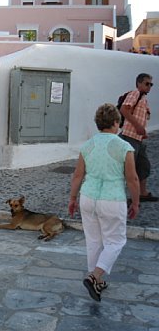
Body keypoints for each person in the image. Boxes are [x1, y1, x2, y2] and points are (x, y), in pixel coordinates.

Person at [68, 103, 140, 302]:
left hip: (88, 197)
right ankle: (95, 276)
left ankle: (96, 280)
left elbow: (77, 175)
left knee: (93, 240)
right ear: (116, 122)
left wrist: (72, 198)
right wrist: (135, 203)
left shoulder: (87, 145)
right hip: (112, 199)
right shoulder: (124, 147)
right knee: (116, 241)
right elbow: (132, 179)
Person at [119, 73, 157, 202]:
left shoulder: (143, 99)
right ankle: (129, 197)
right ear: (139, 83)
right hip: (129, 137)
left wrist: (142, 131)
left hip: (138, 139)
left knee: (143, 166)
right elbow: (124, 110)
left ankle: (143, 193)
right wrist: (138, 126)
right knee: (129, 168)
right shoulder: (135, 94)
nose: (149, 86)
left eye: (151, 84)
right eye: (147, 83)